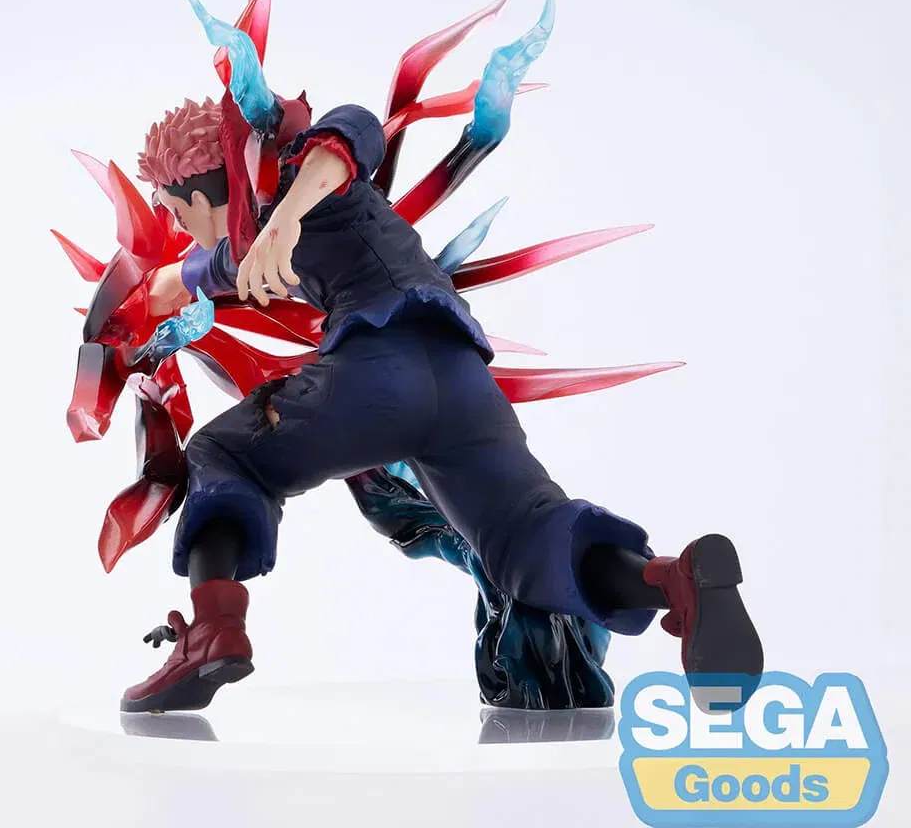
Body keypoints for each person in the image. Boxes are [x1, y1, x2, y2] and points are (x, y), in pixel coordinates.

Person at [120, 87, 763, 714]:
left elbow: (349, 134)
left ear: (200, 197)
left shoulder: (308, 176)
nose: (181, 229)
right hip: (463, 384)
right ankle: (670, 580)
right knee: (523, 538)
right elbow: (170, 285)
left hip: (375, 375)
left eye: (177, 215)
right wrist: (120, 324)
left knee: (224, 454)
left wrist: (286, 217)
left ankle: (213, 628)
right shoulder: (244, 248)